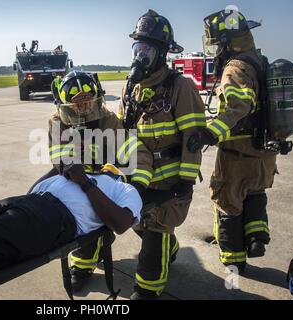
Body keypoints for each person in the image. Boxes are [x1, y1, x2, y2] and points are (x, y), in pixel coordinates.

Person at [119, 10, 206, 300]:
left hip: (171, 182)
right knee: (138, 223)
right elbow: (124, 132)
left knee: (155, 234)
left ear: (162, 53)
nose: (140, 57)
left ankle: (147, 290)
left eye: (147, 50)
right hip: (141, 178)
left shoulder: (180, 87)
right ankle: (170, 246)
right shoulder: (130, 88)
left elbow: (193, 138)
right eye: (137, 49)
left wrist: (186, 180)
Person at [31, 70, 145, 291]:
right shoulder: (58, 121)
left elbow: (122, 154)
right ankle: (82, 266)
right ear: (64, 104)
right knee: (43, 197)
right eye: (76, 103)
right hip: (75, 175)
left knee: (141, 222)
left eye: (87, 101)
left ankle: (165, 247)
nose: (83, 108)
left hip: (107, 174)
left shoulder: (109, 119)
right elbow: (60, 158)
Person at [187, 9, 278, 272]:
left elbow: (238, 107)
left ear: (229, 42)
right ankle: (256, 237)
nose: (216, 49)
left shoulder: (235, 67)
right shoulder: (259, 61)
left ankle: (233, 261)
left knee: (226, 201)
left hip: (238, 153)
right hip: (264, 153)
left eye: (218, 43)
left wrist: (210, 132)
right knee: (254, 193)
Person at [0, 164, 142, 276]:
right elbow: (31, 191)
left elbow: (121, 223)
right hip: (24, 202)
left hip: (52, 216)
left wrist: (85, 182)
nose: (107, 166)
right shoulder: (82, 172)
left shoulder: (124, 188)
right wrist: (57, 168)